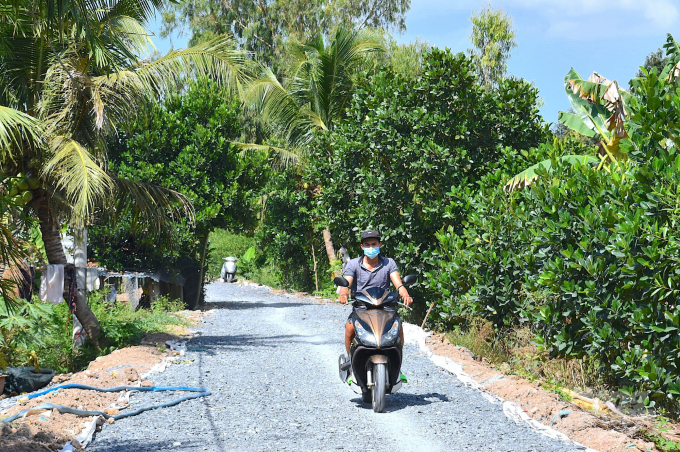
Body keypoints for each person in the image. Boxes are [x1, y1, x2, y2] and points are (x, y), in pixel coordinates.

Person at [338, 230, 413, 355]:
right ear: (362, 247)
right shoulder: (353, 264)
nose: (371, 247)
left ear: (380, 245)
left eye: (374, 244)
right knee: (350, 328)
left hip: (386, 308)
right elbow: (346, 283)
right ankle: (350, 360)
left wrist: (405, 294)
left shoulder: (389, 263)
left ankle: (396, 362)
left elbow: (398, 283)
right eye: (367, 245)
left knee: (398, 328)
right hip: (361, 308)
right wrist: (343, 294)